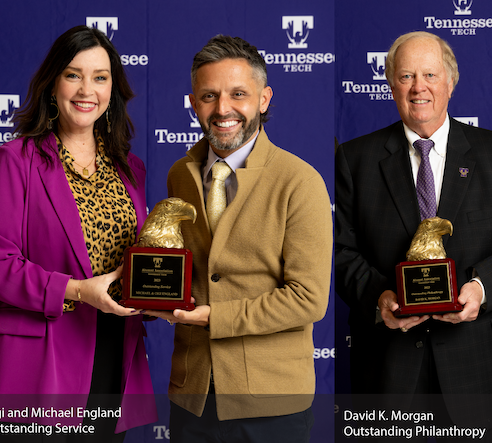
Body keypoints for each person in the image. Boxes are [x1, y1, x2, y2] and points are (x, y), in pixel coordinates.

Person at [334, 32, 492, 441]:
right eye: (406, 75)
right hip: (388, 372)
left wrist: (480, 288)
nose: (418, 86)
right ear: (390, 84)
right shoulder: (354, 159)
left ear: (450, 81)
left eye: (429, 74)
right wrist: (380, 296)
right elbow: (339, 252)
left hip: (479, 369)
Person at [0, 26, 156, 442]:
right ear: (53, 83)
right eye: (73, 74)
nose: (86, 89)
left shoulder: (130, 167)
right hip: (40, 356)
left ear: (113, 89)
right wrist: (74, 290)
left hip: (113, 346)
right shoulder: (16, 159)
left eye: (100, 77)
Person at [145, 35, 331, 442]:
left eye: (238, 94)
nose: (222, 109)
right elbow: (184, 272)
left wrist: (216, 318)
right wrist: (147, 297)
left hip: (271, 403)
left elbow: (308, 298)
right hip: (192, 395)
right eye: (208, 96)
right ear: (193, 103)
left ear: (263, 99)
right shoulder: (181, 173)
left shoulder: (300, 182)